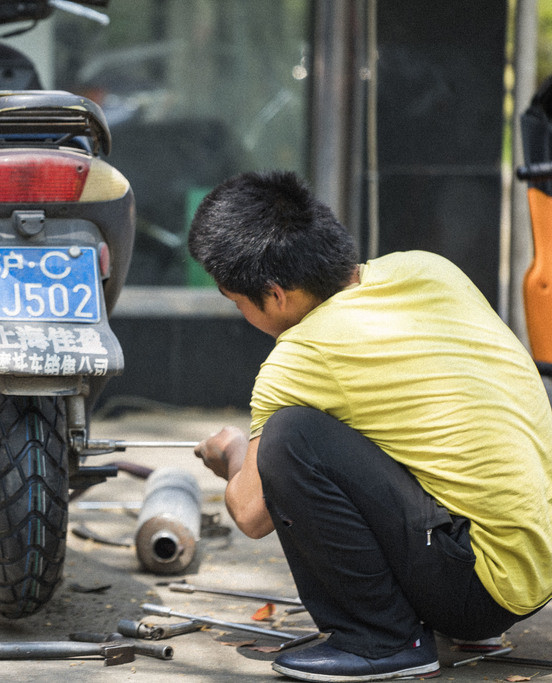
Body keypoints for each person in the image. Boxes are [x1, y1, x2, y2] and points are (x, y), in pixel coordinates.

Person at [187, 170, 552, 682]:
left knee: (290, 438)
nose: (241, 313)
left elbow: (250, 514)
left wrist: (232, 455)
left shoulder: (300, 356)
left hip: (479, 591)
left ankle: (382, 640)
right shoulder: (426, 269)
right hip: (536, 566)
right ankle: (460, 630)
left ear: (275, 295)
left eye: (237, 301)